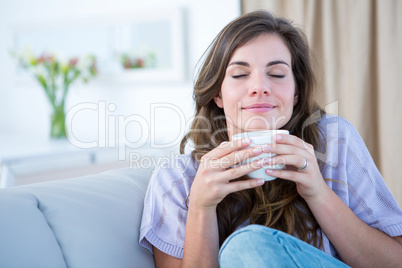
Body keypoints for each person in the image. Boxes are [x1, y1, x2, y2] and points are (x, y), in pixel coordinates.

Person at [139, 10, 402, 267]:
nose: (260, 87)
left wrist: (318, 193)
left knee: (247, 246)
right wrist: (200, 206)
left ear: (296, 92)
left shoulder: (334, 141)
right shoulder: (176, 180)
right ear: (217, 94)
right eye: (240, 74)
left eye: (276, 74)